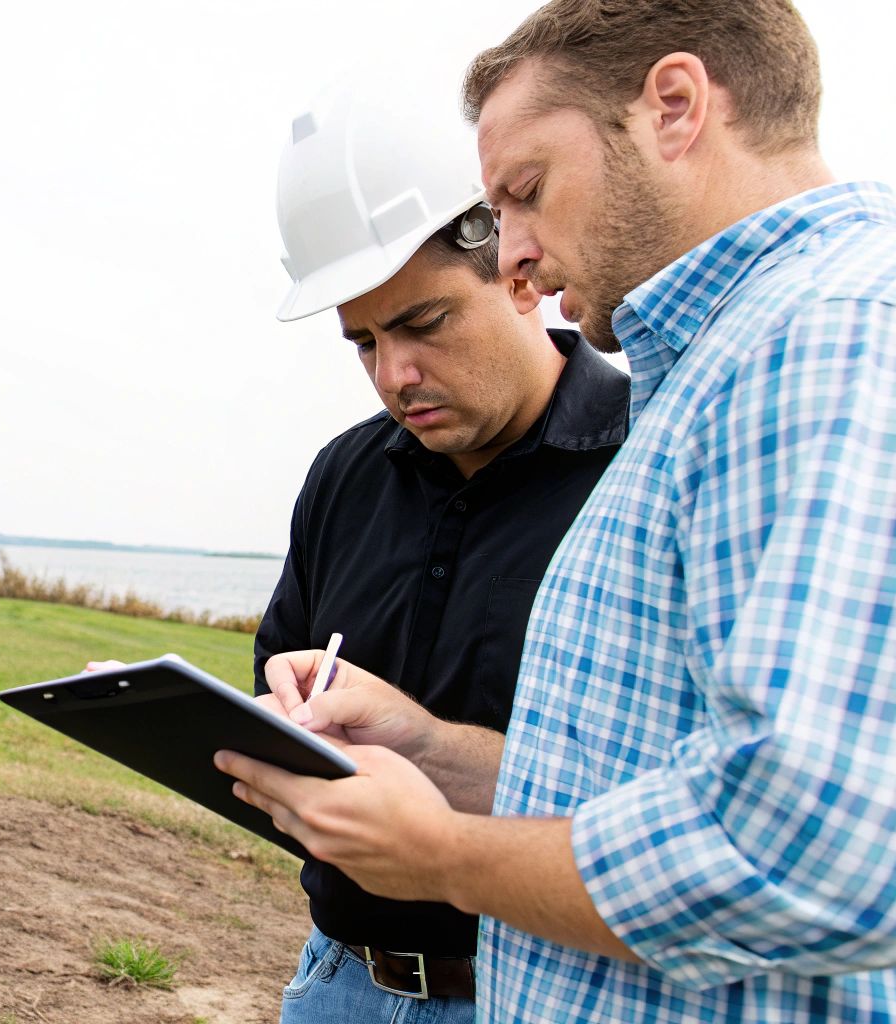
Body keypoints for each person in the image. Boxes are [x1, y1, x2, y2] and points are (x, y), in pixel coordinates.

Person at [219, 1, 896, 1021]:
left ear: (674, 108)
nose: (518, 260)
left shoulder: (855, 340)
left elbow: (819, 856)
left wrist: (442, 854)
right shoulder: (719, 371)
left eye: (526, 193)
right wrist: (423, 746)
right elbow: (626, 782)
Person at [255, 75, 627, 1022]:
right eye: (363, 343)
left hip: (538, 993)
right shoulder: (344, 473)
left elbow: (662, 799)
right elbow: (279, 667)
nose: (395, 375)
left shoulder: (645, 459)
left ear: (518, 272)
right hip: (335, 979)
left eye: (422, 325)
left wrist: (429, 748)